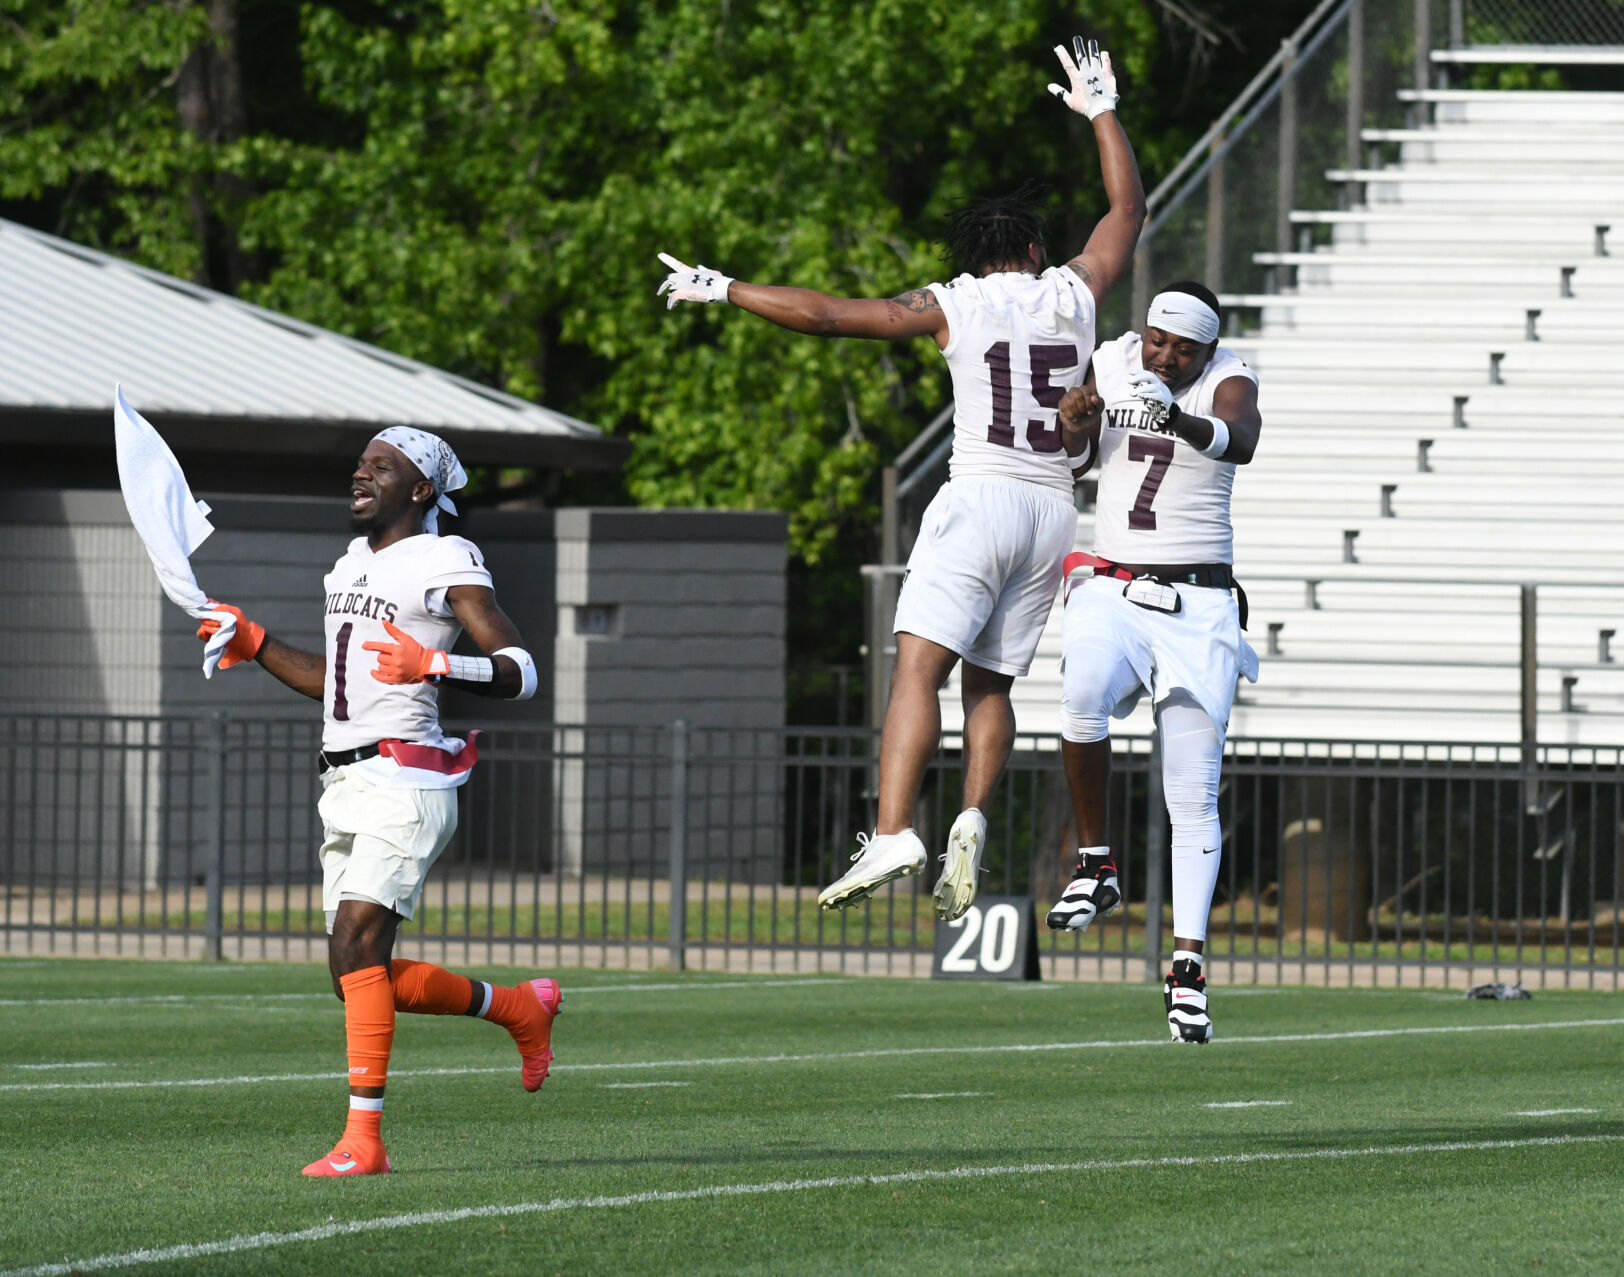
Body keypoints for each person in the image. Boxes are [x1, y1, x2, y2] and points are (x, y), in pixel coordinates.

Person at [656, 38, 1144, 922]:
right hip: (1051, 512)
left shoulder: (955, 300)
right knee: (989, 685)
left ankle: (894, 828)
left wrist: (724, 286)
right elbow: (1126, 211)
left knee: (915, 670)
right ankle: (970, 815)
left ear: (977, 255)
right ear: (1035, 248)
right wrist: (1101, 108)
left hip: (979, 495)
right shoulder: (1075, 292)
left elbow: (830, 316)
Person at [197, 428, 562, 1176]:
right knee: (351, 972)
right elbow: (332, 684)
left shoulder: (445, 556)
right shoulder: (349, 563)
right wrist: (256, 640)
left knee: (358, 948)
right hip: (345, 782)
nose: (361, 473)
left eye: (382, 466)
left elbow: (521, 669)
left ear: (421, 489)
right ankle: (516, 1006)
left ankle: (364, 1142)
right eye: (362, 462)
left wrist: (435, 661)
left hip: (408, 778)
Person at [1044, 281, 1262, 1044]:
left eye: (1184, 350)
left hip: (1198, 601)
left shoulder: (1227, 376)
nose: (1166, 357)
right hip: (1115, 580)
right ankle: (1097, 863)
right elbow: (1071, 456)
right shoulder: (1111, 360)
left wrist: (1178, 416)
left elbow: (1242, 437)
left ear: (1208, 348)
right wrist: (1072, 422)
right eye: (1159, 341)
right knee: (1079, 694)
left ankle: (1188, 970)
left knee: (1192, 793)